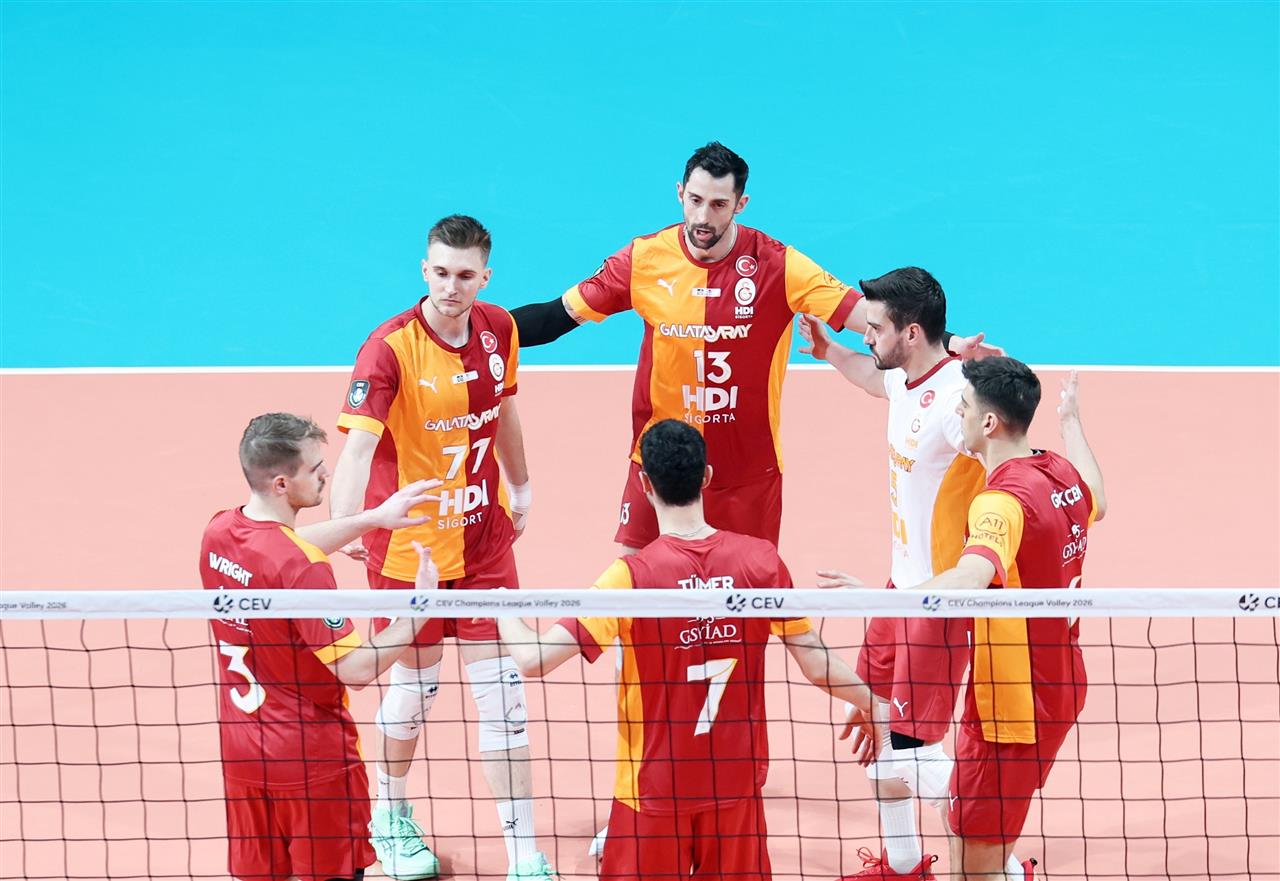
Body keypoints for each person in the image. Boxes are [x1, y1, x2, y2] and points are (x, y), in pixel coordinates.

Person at [510, 141, 999, 555]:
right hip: (659, 464)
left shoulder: (779, 267)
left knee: (747, 614)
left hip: (747, 476)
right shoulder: (643, 260)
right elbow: (557, 316)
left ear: (740, 204)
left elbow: (867, 316)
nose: (703, 217)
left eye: (718, 205)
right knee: (631, 601)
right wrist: (480, 331)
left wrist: (948, 342)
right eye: (695, 200)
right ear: (679, 193)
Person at [487, 419, 878, 881]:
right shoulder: (761, 563)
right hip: (735, 787)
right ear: (706, 477)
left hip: (652, 791)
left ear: (645, 484)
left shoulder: (631, 579)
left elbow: (532, 659)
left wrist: (499, 600)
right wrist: (874, 703)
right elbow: (815, 662)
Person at [331, 215, 549, 880]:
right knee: (412, 691)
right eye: (441, 273)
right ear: (424, 271)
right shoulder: (388, 349)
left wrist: (521, 485)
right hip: (411, 554)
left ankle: (524, 855)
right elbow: (358, 449)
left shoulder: (500, 329)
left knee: (504, 701)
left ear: (485, 277)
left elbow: (504, 411)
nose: (452, 286)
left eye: (465, 275)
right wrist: (346, 523)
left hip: (483, 544)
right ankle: (389, 816)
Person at [800, 269, 1028, 880]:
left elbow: (1000, 445)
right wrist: (829, 352)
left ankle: (1003, 861)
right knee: (880, 729)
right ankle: (902, 865)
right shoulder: (903, 376)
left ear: (911, 332)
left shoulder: (956, 404)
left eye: (875, 327)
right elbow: (870, 379)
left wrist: (988, 381)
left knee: (911, 750)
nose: (866, 334)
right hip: (896, 591)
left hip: (938, 603)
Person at [841, 359, 1106, 880]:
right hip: (1060, 681)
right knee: (972, 841)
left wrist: (887, 600)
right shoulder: (1059, 473)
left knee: (974, 867)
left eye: (962, 406)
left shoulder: (999, 503)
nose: (955, 414)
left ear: (988, 422)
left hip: (1012, 704)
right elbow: (1098, 498)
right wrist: (1071, 422)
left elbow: (970, 575)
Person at [201, 412, 442, 881]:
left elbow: (280, 549)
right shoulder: (306, 570)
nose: (326, 474)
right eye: (314, 469)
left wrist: (372, 518)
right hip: (312, 761)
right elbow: (355, 669)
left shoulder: (218, 534)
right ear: (281, 484)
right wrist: (419, 611)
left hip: (243, 753)